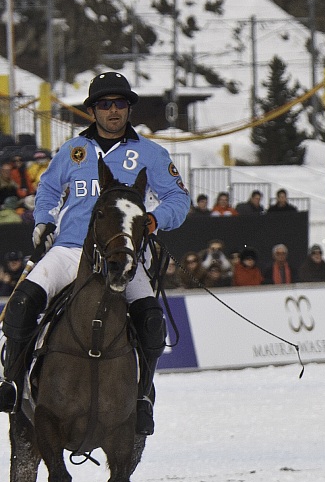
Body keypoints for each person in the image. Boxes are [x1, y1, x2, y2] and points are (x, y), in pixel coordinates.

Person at [0, 71, 189, 434]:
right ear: (93, 110)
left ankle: (143, 398)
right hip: (71, 250)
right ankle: (11, 382)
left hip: (125, 257)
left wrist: (152, 220)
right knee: (23, 303)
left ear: (129, 108)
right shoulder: (74, 151)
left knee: (151, 322)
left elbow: (179, 200)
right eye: (105, 104)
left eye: (120, 103)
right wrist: (43, 221)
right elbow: (49, 190)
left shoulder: (150, 153)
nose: (113, 110)